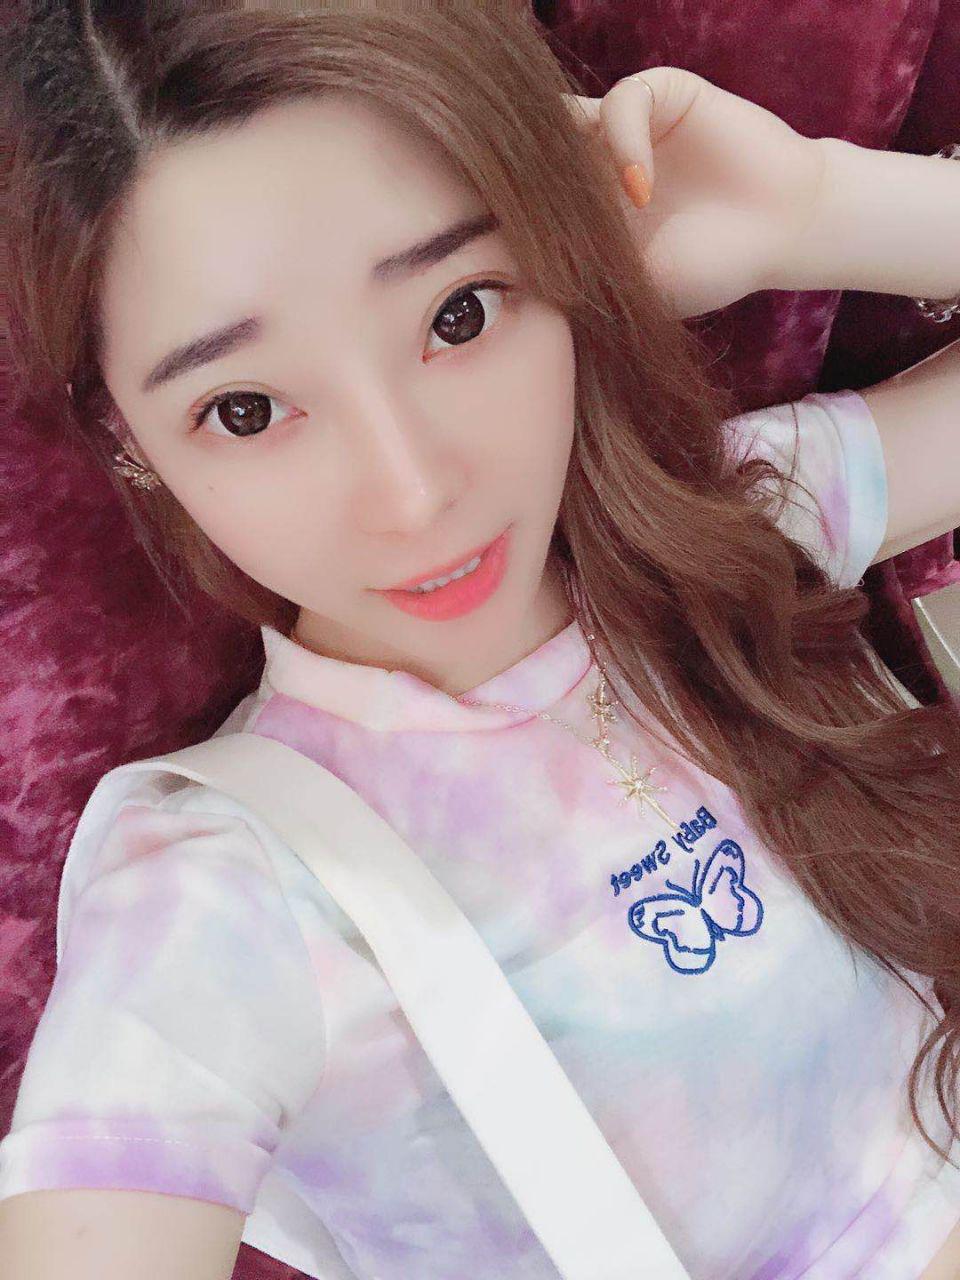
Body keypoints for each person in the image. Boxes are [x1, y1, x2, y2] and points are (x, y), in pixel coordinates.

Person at [1, 3, 960, 1278]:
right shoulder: (224, 895)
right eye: (246, 408)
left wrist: (813, 208)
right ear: (129, 441)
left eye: (459, 313)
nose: (414, 494)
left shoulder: (727, 532)